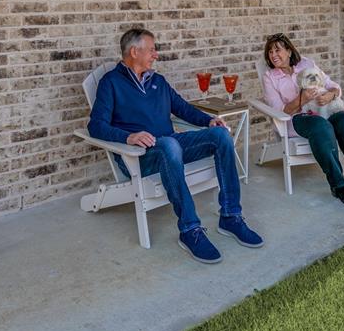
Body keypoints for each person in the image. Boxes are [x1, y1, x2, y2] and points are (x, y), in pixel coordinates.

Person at [89, 28, 263, 263]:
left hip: (172, 146)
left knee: (220, 136)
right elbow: (96, 126)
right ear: (134, 51)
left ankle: (231, 216)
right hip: (140, 156)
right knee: (170, 145)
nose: (156, 55)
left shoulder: (157, 81)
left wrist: (208, 120)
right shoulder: (110, 83)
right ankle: (190, 230)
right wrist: (128, 137)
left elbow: (182, 108)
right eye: (151, 50)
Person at [260, 33, 344, 207]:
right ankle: (339, 186)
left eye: (277, 50)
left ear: (289, 51)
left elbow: (332, 85)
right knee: (322, 127)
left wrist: (331, 95)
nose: (273, 55)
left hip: (326, 109)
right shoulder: (270, 77)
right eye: (270, 52)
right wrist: (302, 100)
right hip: (298, 119)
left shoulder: (307, 64)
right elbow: (279, 110)